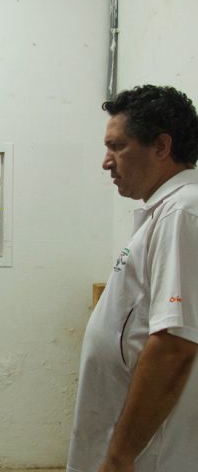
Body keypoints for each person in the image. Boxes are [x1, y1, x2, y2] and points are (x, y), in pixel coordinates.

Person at [67, 85, 198, 472]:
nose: (106, 162)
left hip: (149, 454)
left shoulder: (181, 213)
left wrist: (120, 455)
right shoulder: (166, 212)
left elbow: (174, 344)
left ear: (161, 146)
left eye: (117, 147)